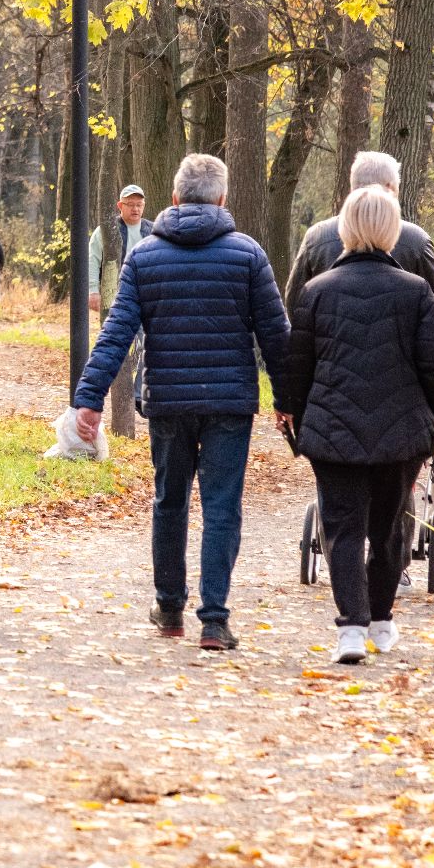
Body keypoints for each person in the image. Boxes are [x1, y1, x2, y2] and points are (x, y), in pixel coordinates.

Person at [72, 154, 295, 653]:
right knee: (221, 507)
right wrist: (287, 399)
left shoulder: (145, 257)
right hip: (229, 403)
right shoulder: (248, 255)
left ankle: (170, 608)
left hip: (168, 401)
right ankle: (214, 620)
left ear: (173, 199)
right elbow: (276, 337)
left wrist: (89, 400)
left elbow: (116, 333)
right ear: (222, 199)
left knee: (169, 501)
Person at [284, 186, 434, 665]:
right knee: (390, 527)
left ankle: (352, 629)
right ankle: (381, 619)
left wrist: (291, 408)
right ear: (392, 230)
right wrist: (432, 410)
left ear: (346, 229)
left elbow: (298, 362)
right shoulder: (416, 292)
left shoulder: (317, 292)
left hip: (333, 433)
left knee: (341, 528)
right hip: (401, 434)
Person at [284, 151, 434, 311]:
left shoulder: (316, 237)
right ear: (390, 187)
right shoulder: (416, 241)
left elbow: (295, 302)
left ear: (353, 185)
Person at [88, 184, 151, 315]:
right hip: (114, 297)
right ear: (120, 206)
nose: (135, 209)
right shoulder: (106, 231)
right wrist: (93, 291)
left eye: (139, 205)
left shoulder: (154, 230)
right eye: (130, 204)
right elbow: (92, 261)